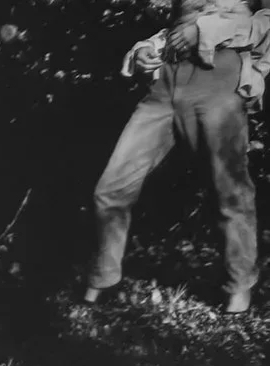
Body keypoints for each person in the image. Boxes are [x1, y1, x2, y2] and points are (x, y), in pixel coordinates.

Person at [85, 0, 266, 315]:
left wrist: (206, 31)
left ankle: (239, 285)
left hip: (220, 75)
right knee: (112, 186)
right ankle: (103, 276)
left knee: (229, 190)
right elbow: (178, 23)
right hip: (167, 81)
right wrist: (146, 49)